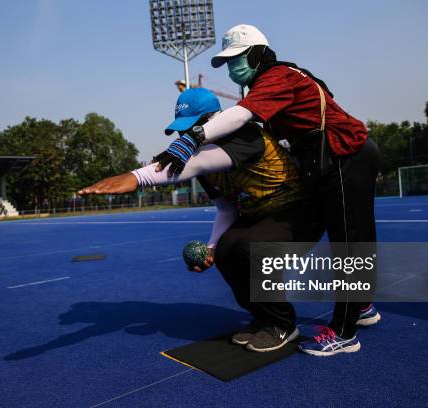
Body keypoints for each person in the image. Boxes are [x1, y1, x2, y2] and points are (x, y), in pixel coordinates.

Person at [153, 24, 381, 356]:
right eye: (228, 62)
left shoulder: (276, 76)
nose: (232, 68)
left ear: (259, 53)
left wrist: (194, 137)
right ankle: (361, 308)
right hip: (323, 158)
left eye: (237, 58)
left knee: (350, 241)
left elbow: (242, 114)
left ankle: (345, 332)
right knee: (347, 236)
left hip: (345, 152)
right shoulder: (280, 80)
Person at [80, 88, 323, 352]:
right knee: (227, 250)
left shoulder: (246, 134)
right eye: (182, 130)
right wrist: (212, 247)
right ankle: (263, 317)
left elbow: (194, 163)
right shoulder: (206, 167)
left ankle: (282, 324)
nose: (186, 136)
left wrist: (137, 177)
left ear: (212, 120)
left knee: (249, 247)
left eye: (191, 127)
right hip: (260, 216)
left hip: (299, 212)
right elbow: (227, 210)